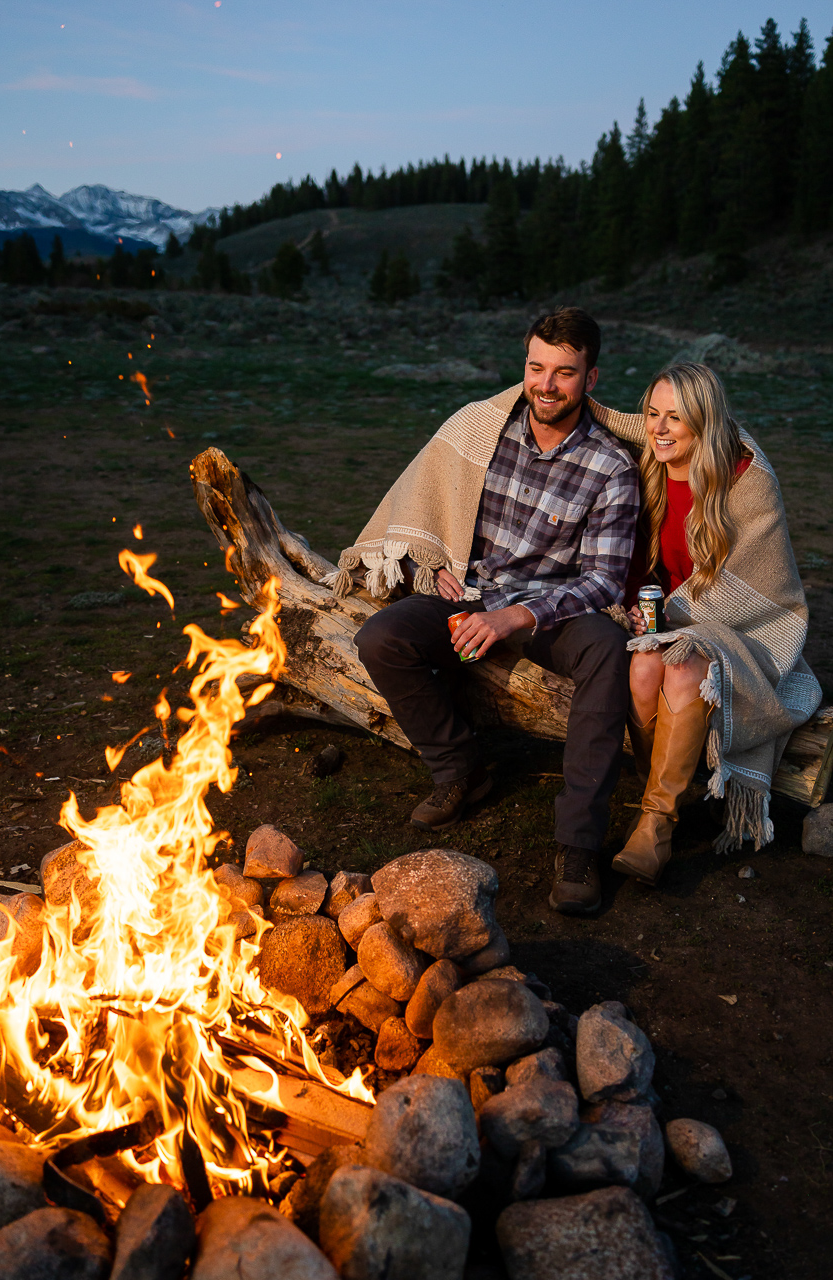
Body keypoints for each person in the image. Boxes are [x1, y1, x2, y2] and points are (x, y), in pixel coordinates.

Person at [324, 307, 640, 915]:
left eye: (564, 373)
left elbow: (603, 580)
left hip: (552, 612)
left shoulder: (612, 467)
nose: (546, 385)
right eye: (536, 367)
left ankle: (577, 844)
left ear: (591, 380)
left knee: (606, 648)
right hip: (470, 593)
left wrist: (516, 618)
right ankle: (460, 769)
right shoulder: (481, 430)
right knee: (381, 638)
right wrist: (439, 558)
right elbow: (437, 507)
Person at [612, 362, 821, 884]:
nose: (658, 429)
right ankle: (655, 791)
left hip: (740, 625)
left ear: (703, 424)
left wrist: (682, 622)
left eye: (674, 418)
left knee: (682, 672)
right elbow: (638, 564)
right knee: (642, 669)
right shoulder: (649, 468)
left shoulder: (746, 480)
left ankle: (656, 825)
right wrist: (638, 605)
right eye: (652, 414)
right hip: (670, 620)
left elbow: (766, 587)